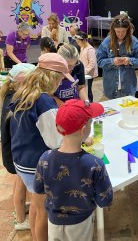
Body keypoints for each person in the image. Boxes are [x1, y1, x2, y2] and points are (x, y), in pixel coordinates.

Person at [9, 53, 74, 241]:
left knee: (37, 208)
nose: (61, 83)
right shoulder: (44, 101)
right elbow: (55, 141)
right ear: (53, 76)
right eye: (61, 78)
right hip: (35, 165)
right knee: (43, 211)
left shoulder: (25, 91)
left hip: (21, 159)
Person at [34, 99, 113, 241]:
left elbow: (38, 188)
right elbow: (105, 200)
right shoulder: (95, 164)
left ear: (58, 128)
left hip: (53, 223)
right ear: (84, 130)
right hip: (81, 225)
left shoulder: (44, 158)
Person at [0, 63, 36, 230]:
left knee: (18, 184)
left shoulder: (11, 96)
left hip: (13, 153)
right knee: (20, 185)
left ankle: (19, 210)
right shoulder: (15, 103)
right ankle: (21, 221)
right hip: (16, 155)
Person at [97, 14, 138, 99]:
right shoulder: (107, 42)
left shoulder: (134, 42)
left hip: (128, 85)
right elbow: (99, 61)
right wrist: (112, 61)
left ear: (128, 30)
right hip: (110, 86)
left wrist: (129, 60)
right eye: (118, 31)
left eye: (123, 31)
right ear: (113, 30)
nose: (120, 34)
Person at [75, 31, 98, 102]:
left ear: (84, 40)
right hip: (84, 73)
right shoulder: (82, 48)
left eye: (79, 42)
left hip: (89, 74)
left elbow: (92, 63)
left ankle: (90, 102)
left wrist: (84, 72)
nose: (78, 44)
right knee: (83, 89)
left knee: (88, 90)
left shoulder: (90, 50)